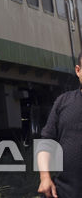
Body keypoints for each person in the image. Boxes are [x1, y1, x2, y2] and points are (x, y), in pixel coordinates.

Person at [37, 51, 82, 198]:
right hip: (65, 192)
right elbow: (46, 141)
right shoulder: (63, 102)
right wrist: (44, 177)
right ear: (78, 70)